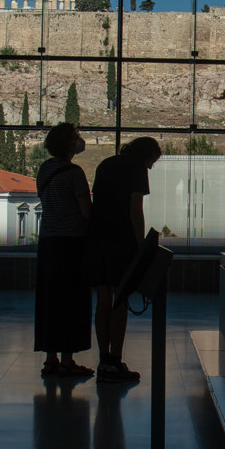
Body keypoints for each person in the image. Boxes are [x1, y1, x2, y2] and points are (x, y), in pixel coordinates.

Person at [85, 136, 161, 382]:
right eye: (152, 162)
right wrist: (141, 247)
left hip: (96, 238)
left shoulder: (105, 164)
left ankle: (104, 360)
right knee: (121, 300)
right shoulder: (136, 169)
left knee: (103, 299)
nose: (150, 167)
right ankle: (116, 361)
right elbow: (134, 209)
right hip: (121, 240)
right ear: (147, 156)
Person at [34, 122, 94, 376]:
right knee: (71, 302)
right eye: (76, 137)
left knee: (50, 301)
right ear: (69, 144)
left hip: (48, 242)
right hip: (72, 245)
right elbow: (86, 212)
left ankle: (50, 359)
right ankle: (68, 359)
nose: (79, 140)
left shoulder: (44, 170)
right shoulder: (74, 173)